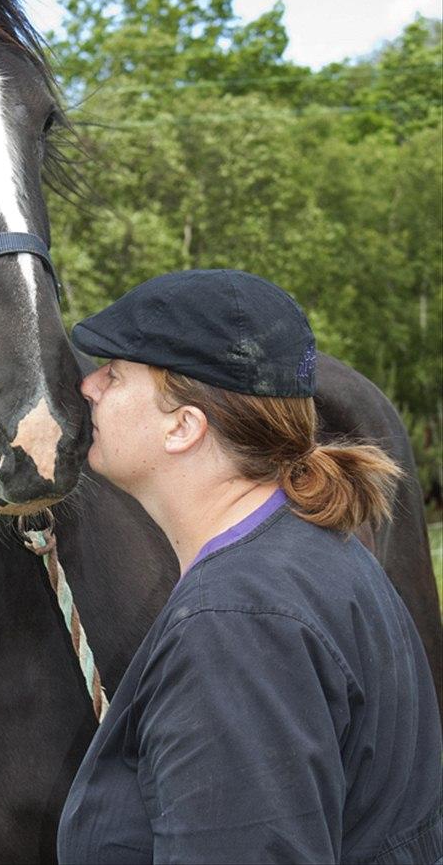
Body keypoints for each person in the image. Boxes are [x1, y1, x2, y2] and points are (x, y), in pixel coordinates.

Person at [56, 269, 441, 865]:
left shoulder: (234, 626)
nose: (89, 387)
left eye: (115, 373)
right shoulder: (314, 552)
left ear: (182, 427)